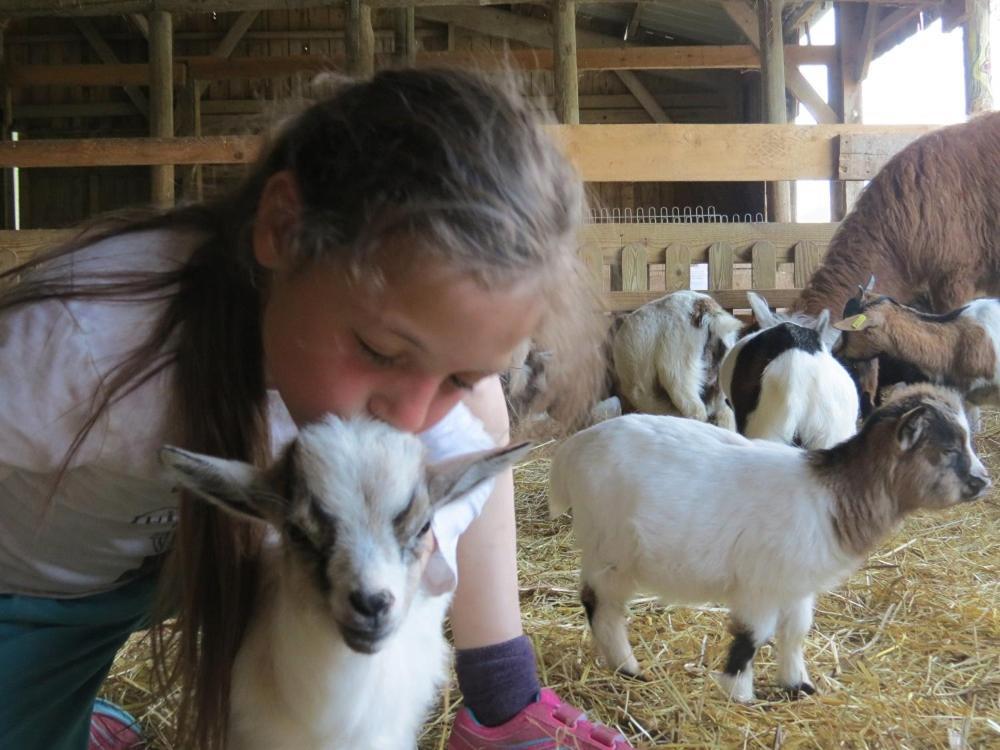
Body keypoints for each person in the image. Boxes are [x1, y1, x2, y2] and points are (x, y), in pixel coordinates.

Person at [0, 68, 632, 750]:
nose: (411, 414)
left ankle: (501, 703)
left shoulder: (403, 399)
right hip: (40, 596)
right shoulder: (84, 349)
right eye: (379, 349)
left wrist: (418, 536)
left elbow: (469, 441)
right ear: (282, 228)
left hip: (196, 559)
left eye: (457, 372)